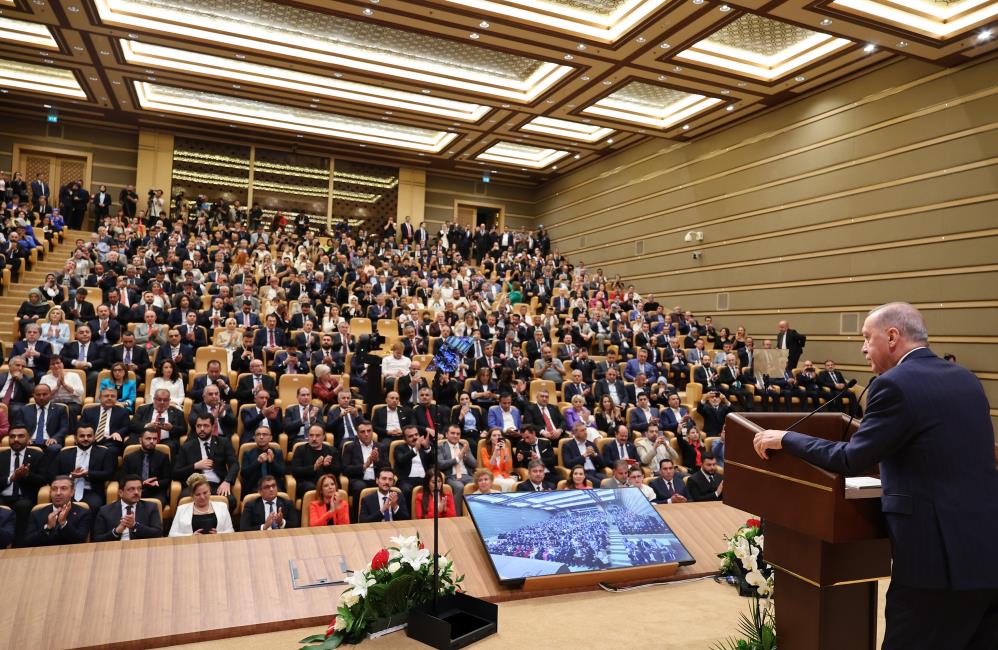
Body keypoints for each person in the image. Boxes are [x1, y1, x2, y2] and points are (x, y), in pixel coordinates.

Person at [753, 302, 998, 649]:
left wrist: (786, 439)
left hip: (933, 567)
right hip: (987, 558)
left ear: (893, 336)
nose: (863, 348)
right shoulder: (967, 380)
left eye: (867, 337)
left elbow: (851, 458)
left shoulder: (893, 385)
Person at [0, 427, 47, 544]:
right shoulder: (1, 456)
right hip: (3, 495)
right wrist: (11, 478)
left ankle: (19, 545)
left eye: (20, 436)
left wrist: (27, 475)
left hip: (24, 497)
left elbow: (44, 480)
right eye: (12, 436)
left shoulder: (37, 455)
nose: (16, 439)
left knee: (23, 506)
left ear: (28, 439)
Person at [23, 475, 93, 547]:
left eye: (63, 488)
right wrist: (47, 527)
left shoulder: (83, 513)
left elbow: (80, 541)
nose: (58, 493)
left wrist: (64, 523)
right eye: (54, 489)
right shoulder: (36, 513)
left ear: (72, 492)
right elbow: (28, 542)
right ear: (50, 492)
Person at [92, 475, 163, 541]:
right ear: (121, 493)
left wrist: (135, 526)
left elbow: (158, 533)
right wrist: (116, 532)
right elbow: (96, 539)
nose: (136, 492)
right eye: (131, 489)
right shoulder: (105, 511)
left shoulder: (151, 507)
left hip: (141, 547)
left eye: (139, 489)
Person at [169, 473, 235, 536]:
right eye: (198, 494)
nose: (202, 497)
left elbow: (231, 531)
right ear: (192, 495)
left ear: (210, 491)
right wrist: (190, 536)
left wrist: (218, 535)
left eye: (205, 493)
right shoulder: (181, 509)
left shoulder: (222, 507)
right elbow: (171, 534)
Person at [122, 429, 172, 506]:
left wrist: (156, 483)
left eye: (154, 439)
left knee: (156, 504)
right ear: (140, 440)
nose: (152, 441)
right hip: (134, 490)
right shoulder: (129, 458)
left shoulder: (163, 457)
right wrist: (142, 483)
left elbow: (167, 478)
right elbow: (123, 478)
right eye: (148, 438)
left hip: (155, 491)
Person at [290, 424, 339, 497]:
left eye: (317, 436)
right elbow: (295, 471)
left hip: (327, 482)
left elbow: (337, 472)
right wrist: (314, 467)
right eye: (311, 435)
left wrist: (327, 466)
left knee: (332, 487)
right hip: (307, 483)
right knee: (311, 487)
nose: (314, 438)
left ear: (323, 437)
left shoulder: (332, 451)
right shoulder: (300, 449)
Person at [437, 425, 475, 514]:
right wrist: (457, 458)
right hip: (451, 476)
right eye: (452, 433)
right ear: (446, 434)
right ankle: (457, 515)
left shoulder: (464, 446)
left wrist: (465, 454)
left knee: (476, 484)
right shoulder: (441, 447)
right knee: (459, 487)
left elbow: (474, 464)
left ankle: (472, 514)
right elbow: (440, 464)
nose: (455, 436)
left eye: (458, 434)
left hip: (466, 475)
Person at [479, 428, 516, 492]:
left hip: (504, 476)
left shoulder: (505, 449)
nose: (497, 437)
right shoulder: (484, 450)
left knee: (512, 483)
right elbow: (488, 468)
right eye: (494, 435)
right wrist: (495, 452)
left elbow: (508, 468)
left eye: (499, 435)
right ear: (490, 438)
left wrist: (505, 451)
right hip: (491, 476)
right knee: (505, 483)